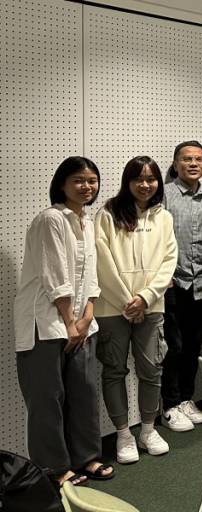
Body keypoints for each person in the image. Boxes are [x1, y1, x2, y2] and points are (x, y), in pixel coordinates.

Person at [14, 156, 113, 486]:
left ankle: (87, 457)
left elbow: (91, 277)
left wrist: (86, 317)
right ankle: (53, 469)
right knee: (47, 400)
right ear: (62, 184)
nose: (87, 186)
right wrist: (70, 322)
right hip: (45, 323)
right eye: (79, 180)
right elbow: (55, 277)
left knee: (84, 394)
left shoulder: (86, 220)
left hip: (81, 323)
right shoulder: (51, 219)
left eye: (92, 180)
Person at [95, 156, 177, 465]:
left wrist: (144, 298)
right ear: (127, 181)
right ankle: (123, 434)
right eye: (138, 179)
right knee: (114, 370)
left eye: (151, 179)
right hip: (112, 307)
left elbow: (169, 261)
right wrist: (127, 302)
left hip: (151, 306)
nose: (145, 185)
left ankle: (146, 429)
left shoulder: (163, 217)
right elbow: (102, 261)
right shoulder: (108, 214)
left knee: (151, 369)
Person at [161, 140, 202, 432]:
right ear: (176, 163)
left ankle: (185, 399)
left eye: (198, 159)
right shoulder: (164, 197)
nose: (193, 164)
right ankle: (169, 406)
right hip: (173, 286)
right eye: (186, 159)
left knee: (193, 346)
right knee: (173, 347)